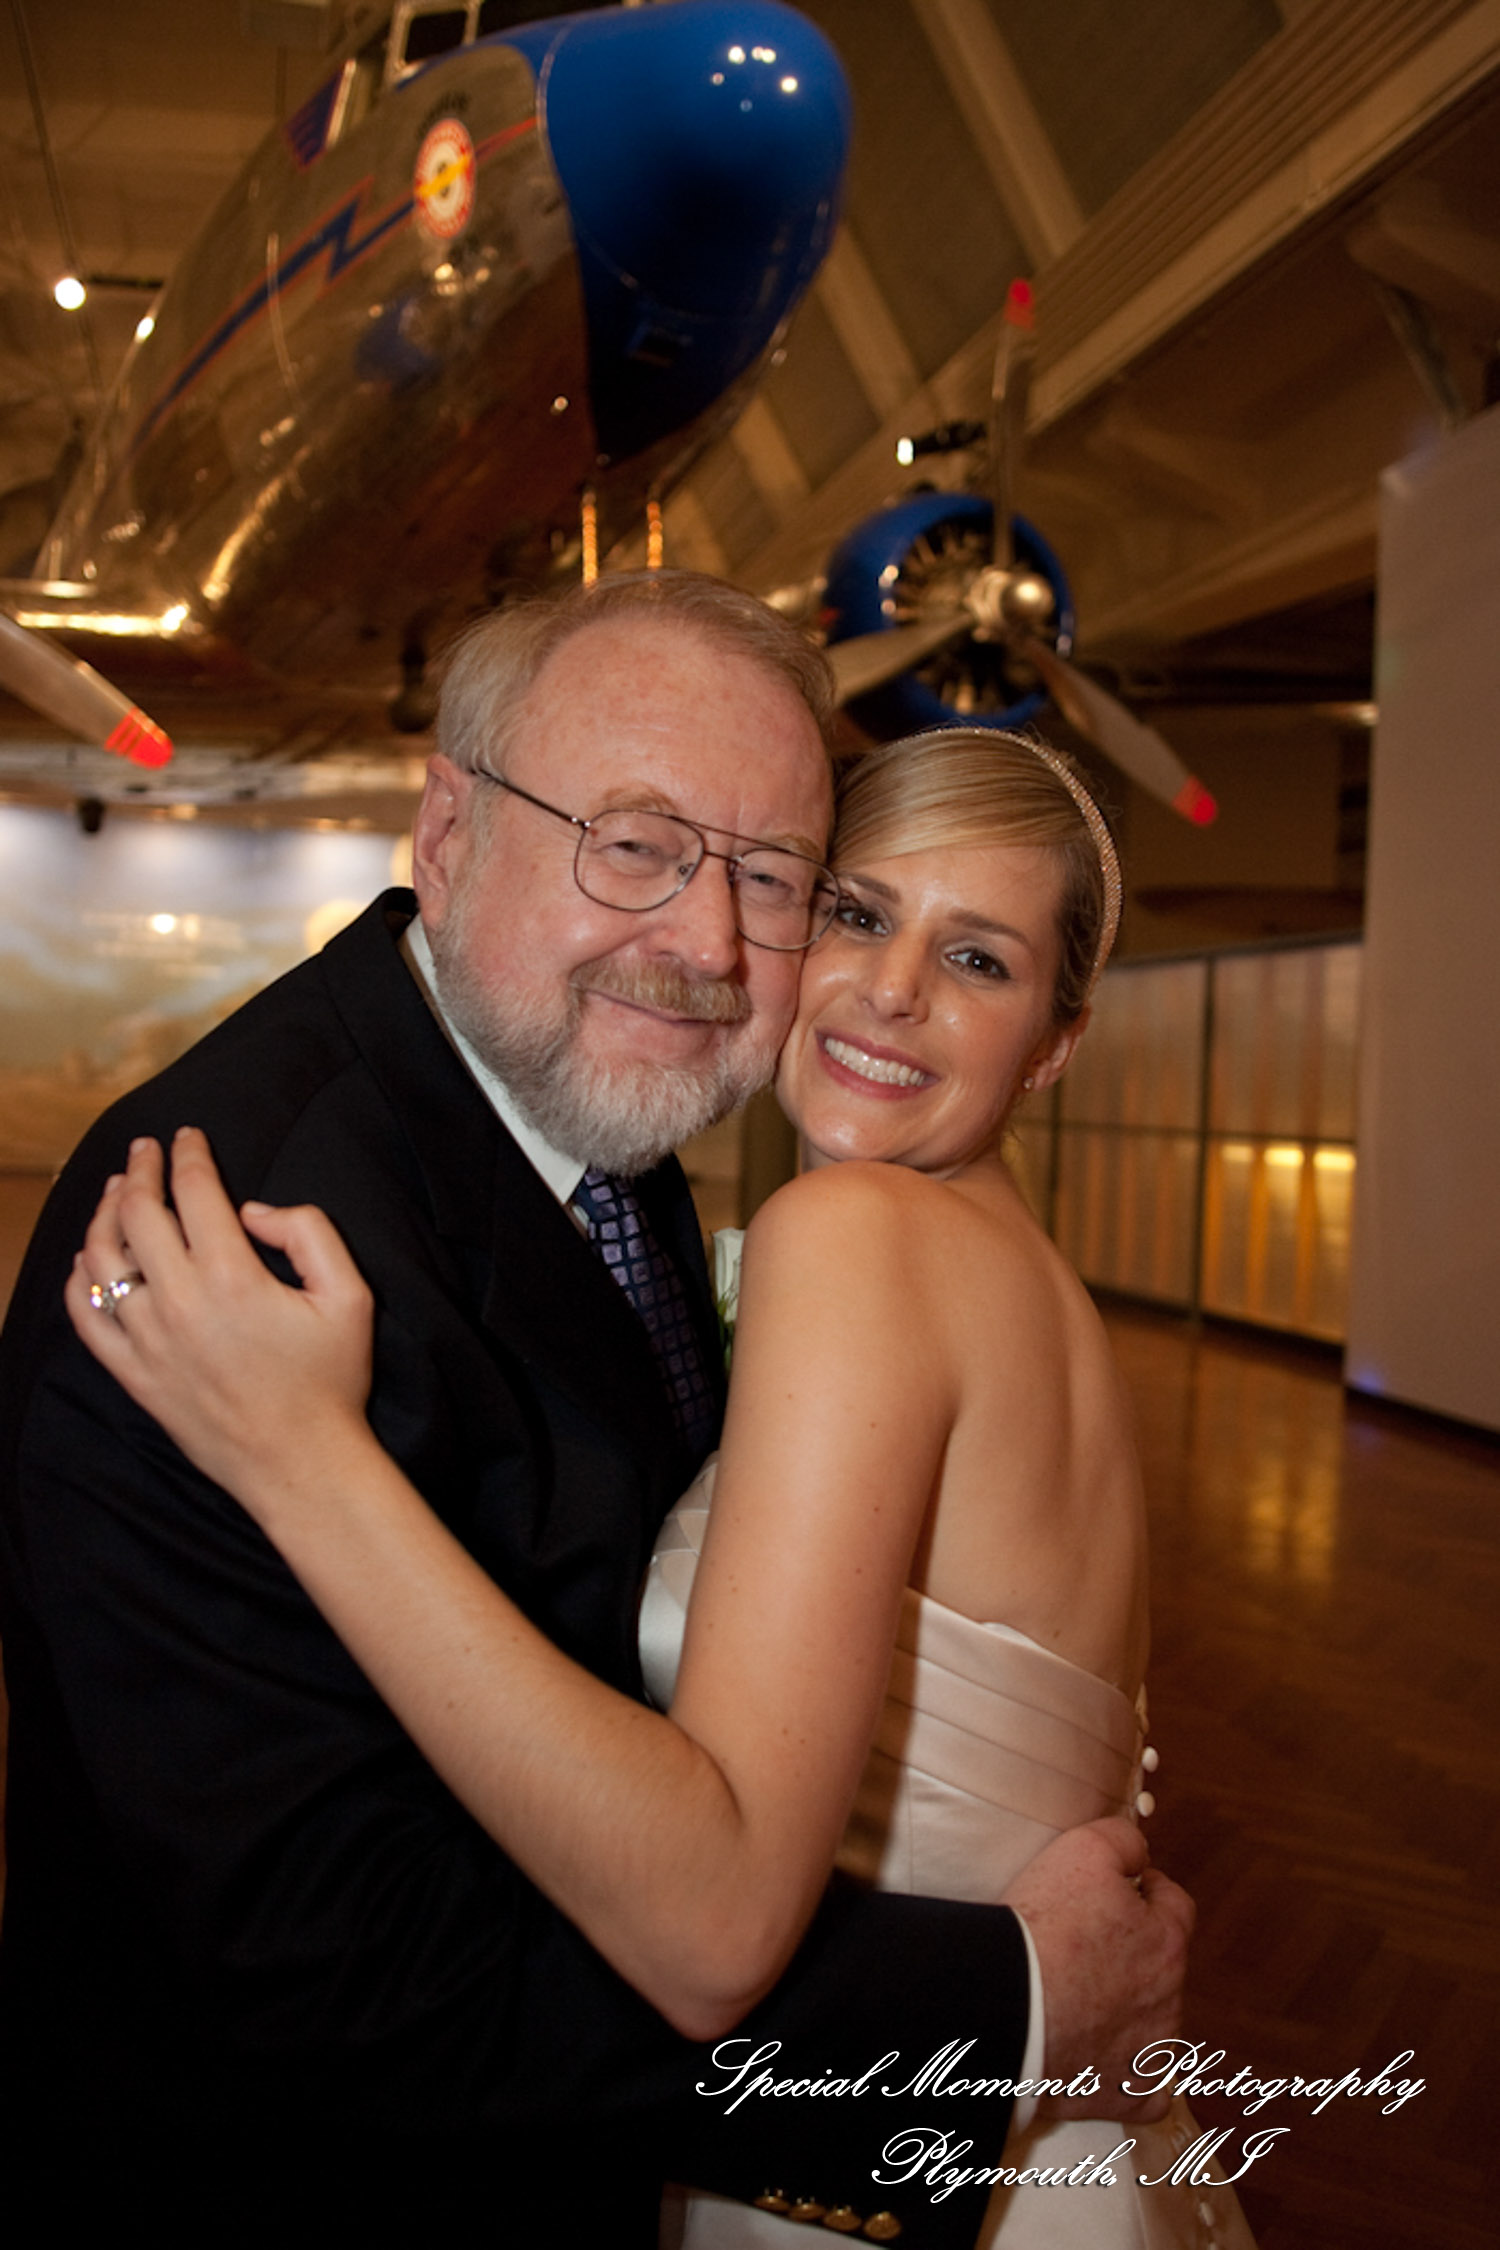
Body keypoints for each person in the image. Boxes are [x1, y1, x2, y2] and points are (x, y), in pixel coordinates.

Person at [0, 572, 1187, 2244]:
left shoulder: (613, 1125)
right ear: (451, 826)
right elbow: (357, 1967)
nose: (706, 943)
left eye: (772, 878)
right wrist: (995, 2002)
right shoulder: (218, 1242)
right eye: (633, 843)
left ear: (1055, 1035)